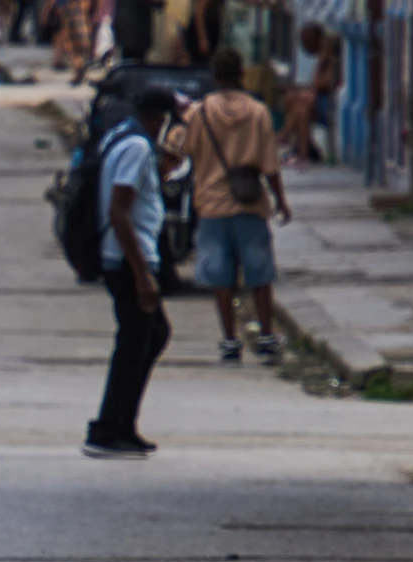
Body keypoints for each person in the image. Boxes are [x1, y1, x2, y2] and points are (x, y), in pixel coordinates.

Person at [83, 87, 179, 459]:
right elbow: (119, 210)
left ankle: (122, 424)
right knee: (136, 342)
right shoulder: (137, 147)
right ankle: (108, 428)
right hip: (127, 260)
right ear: (161, 119)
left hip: (127, 257)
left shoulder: (122, 135)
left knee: (150, 336)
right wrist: (142, 275)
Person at [180, 48, 291, 364]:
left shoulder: (200, 113)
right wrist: (281, 201)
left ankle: (230, 340)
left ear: (216, 76)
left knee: (221, 278)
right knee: (260, 273)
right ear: (241, 73)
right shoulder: (258, 113)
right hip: (250, 203)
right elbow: (270, 164)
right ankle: (267, 337)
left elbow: (184, 148)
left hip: (212, 205)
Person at [278, 23, 341, 165]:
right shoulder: (322, 59)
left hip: (330, 103)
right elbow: (316, 83)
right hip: (321, 99)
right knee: (296, 102)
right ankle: (301, 150)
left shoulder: (332, 60)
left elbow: (322, 83)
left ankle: (290, 140)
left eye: (306, 41)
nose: (304, 47)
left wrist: (323, 60)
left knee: (302, 106)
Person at [182, 0, 222, 66]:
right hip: (202, 31)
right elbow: (199, 13)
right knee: (200, 64)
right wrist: (202, 38)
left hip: (212, 28)